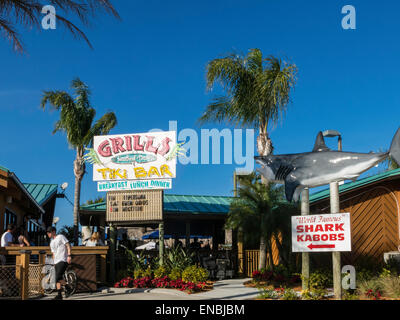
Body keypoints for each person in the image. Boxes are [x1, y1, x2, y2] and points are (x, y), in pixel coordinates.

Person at [46, 226, 72, 300]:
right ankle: (59, 295)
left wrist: (69, 255)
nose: (48, 234)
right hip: (56, 261)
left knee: (57, 277)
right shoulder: (51, 242)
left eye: (49, 232)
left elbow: (68, 245)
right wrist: (53, 263)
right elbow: (53, 254)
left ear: (53, 232)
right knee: (58, 278)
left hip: (63, 260)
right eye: (47, 232)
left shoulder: (61, 237)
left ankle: (68, 287)